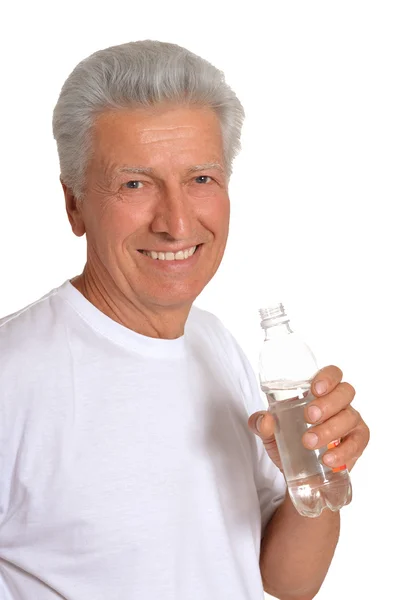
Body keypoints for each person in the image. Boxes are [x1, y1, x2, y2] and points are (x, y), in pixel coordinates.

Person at [0, 40, 369, 600]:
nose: (176, 222)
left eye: (200, 179)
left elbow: (286, 582)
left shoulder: (213, 342)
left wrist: (319, 477)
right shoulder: (14, 376)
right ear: (74, 204)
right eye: (135, 183)